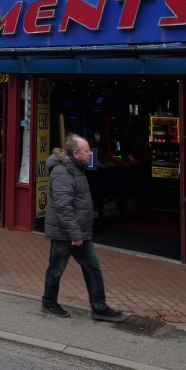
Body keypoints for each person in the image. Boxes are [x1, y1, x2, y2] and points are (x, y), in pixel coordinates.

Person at [41, 133, 125, 322]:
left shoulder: (76, 168)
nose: (90, 154)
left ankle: (99, 307)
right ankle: (48, 302)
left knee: (92, 267)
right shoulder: (63, 172)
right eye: (87, 151)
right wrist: (75, 234)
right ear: (76, 153)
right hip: (66, 233)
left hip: (79, 232)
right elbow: (63, 207)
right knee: (56, 268)